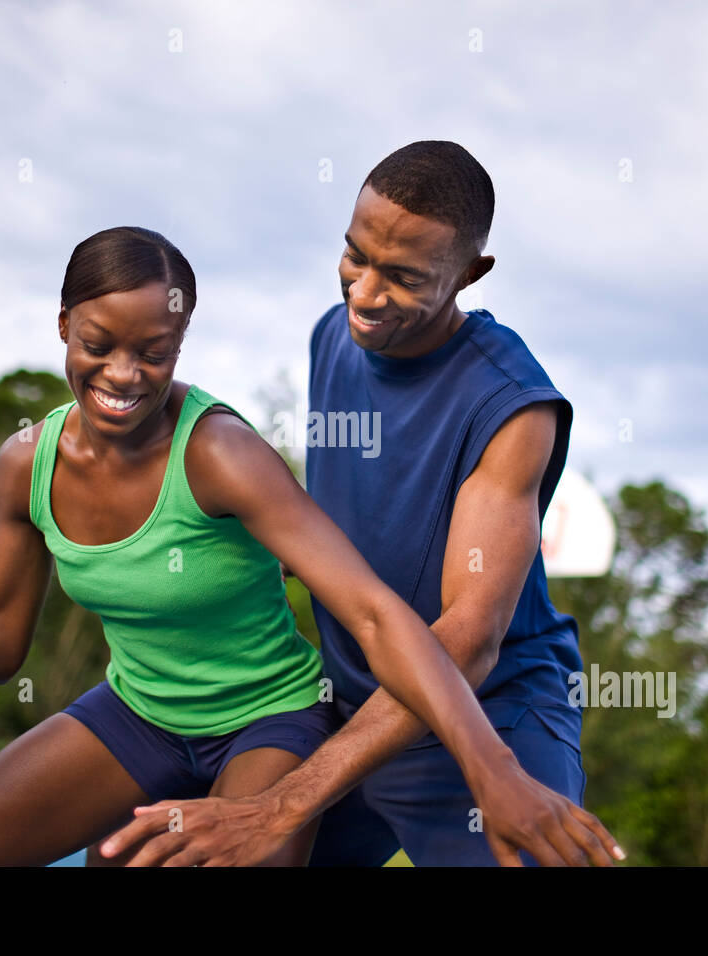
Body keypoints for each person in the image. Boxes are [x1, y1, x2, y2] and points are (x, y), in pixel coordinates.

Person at [0, 224, 620, 866]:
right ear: (63, 325)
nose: (125, 374)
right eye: (99, 343)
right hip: (138, 713)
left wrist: (494, 768)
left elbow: (376, 615)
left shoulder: (220, 453)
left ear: (182, 340)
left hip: (270, 721)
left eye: (155, 351)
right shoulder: (23, 464)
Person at [101, 142, 622, 866]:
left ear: (470, 274)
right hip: (350, 704)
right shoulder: (332, 337)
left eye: (404, 277)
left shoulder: (512, 406)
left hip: (488, 714)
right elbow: (348, 523)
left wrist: (279, 806)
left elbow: (468, 637)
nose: (366, 293)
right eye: (355, 256)